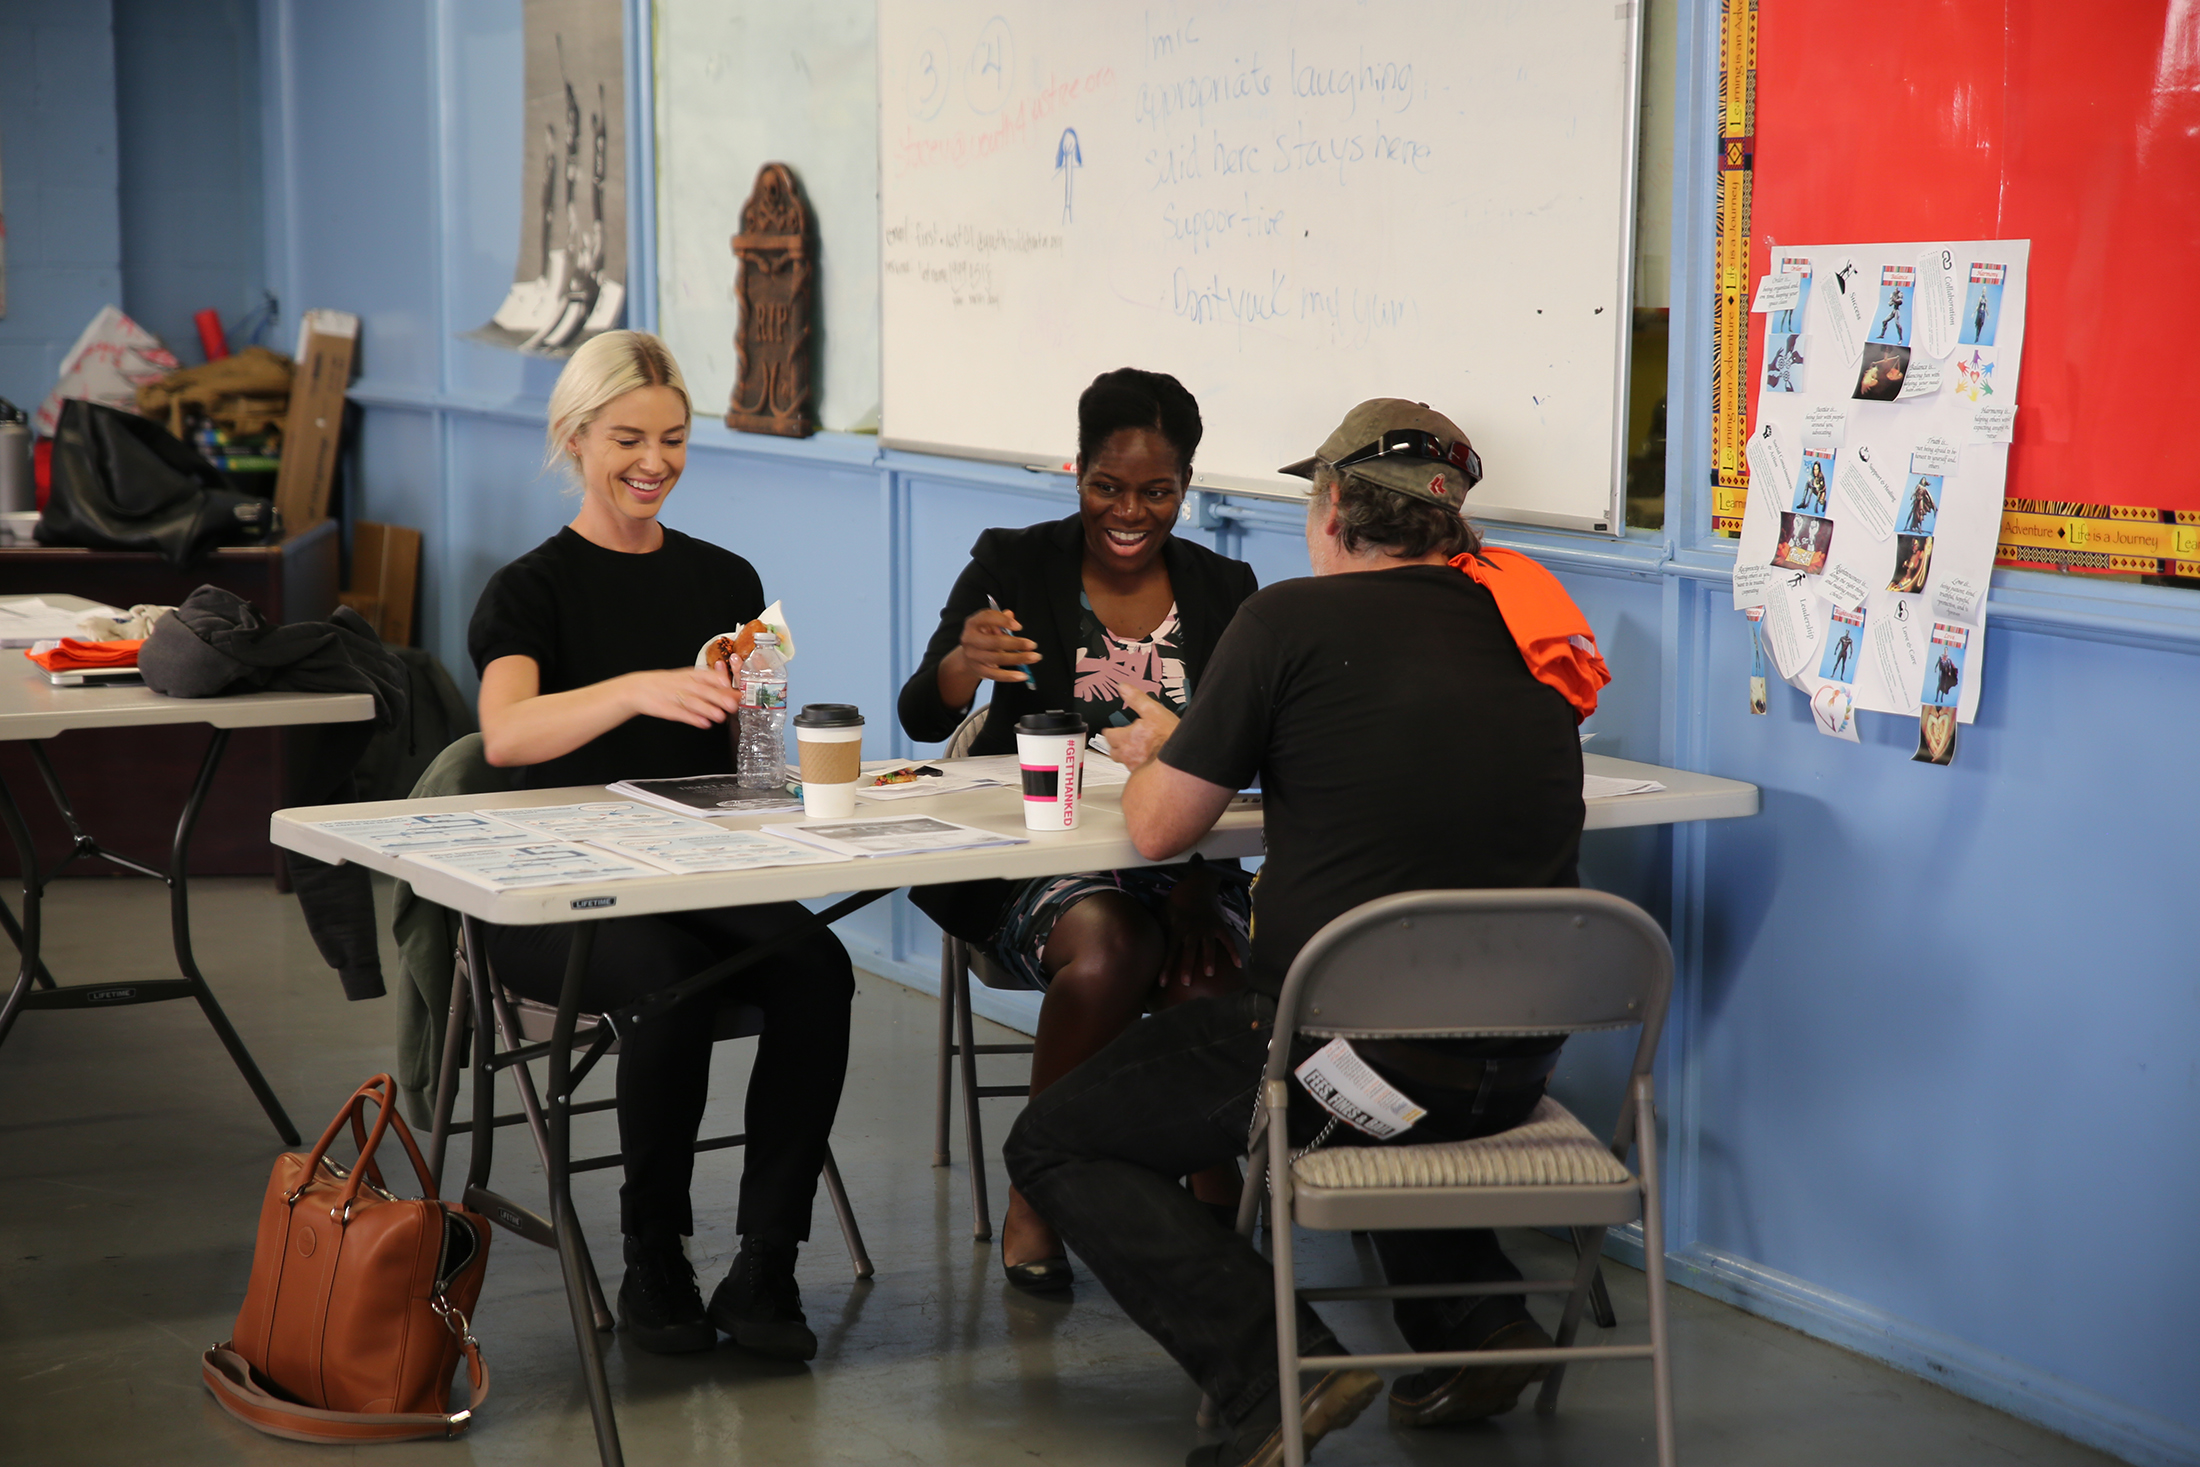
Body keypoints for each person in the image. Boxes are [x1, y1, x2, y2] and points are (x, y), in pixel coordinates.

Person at [1005, 399, 1604, 1466]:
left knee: (1056, 1137)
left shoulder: (1286, 622)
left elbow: (1155, 833)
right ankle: (1472, 1329)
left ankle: (1267, 1376)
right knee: (1393, 1037)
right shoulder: (1532, 630)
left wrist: (1168, 747)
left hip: (1344, 1072)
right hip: (1512, 1071)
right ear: (1451, 523)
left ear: (1330, 508)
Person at [467, 330, 855, 1362]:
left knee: (817, 966)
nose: (654, 462)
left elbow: (757, 753)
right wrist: (636, 688)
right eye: (629, 438)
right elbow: (506, 732)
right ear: (575, 437)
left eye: (674, 440)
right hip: (554, 893)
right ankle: (655, 1255)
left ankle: (767, 1260)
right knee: (667, 981)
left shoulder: (722, 576)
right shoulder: (529, 589)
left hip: (696, 864)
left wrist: (774, 725)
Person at [898, 368, 1261, 1293]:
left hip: (1183, 863)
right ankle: (1037, 1187)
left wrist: (1191, 884)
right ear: (1077, 472)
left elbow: (1244, 757)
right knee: (1109, 947)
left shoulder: (1227, 587)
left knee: (1208, 967)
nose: (1129, 511)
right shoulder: (1013, 562)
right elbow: (919, 718)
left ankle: (1209, 1181)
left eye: (1157, 491)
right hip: (1038, 868)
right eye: (1107, 485)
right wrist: (961, 664)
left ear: (1187, 484)